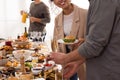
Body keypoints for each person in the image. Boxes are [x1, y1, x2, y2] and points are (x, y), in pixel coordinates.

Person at [48, 0, 120, 80]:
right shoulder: (57, 18)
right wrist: (77, 61)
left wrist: (65, 58)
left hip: (106, 70)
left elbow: (94, 44)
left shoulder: (97, 5)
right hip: (85, 61)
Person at [50, 0, 87, 80]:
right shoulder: (57, 19)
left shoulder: (86, 13)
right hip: (67, 62)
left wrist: (85, 40)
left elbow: (98, 38)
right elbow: (57, 41)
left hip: (83, 61)